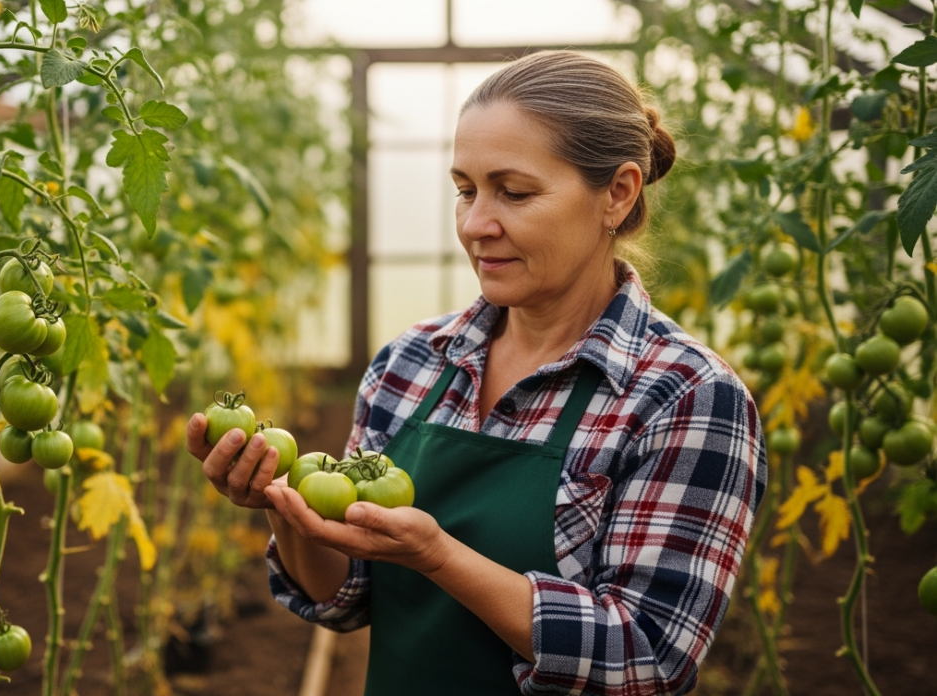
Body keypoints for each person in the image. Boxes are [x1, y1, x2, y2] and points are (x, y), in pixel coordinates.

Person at [186, 50, 766, 696]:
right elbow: (346, 597)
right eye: (465, 190)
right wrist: (285, 509)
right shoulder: (412, 361)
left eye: (514, 192)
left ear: (618, 194)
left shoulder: (685, 397)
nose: (474, 225)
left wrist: (439, 556)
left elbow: (647, 658)